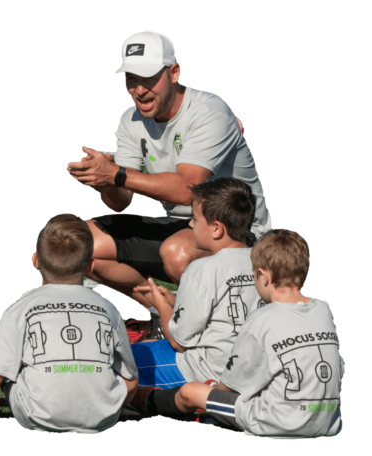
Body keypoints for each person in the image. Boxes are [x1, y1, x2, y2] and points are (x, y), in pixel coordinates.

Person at [66, 30, 271, 336]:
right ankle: (165, 315)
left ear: (174, 72)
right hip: (184, 227)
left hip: (240, 232)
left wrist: (117, 174)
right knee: (74, 246)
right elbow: (121, 201)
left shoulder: (208, 110)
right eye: (130, 79)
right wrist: (104, 182)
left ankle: (218, 331)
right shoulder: (129, 121)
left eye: (149, 78)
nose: (139, 89)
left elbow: (188, 189)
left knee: (177, 251)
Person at [148, 230, 344, 439]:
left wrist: (215, 388)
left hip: (279, 422)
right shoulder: (324, 309)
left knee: (192, 392)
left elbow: (230, 388)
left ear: (264, 276)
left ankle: (142, 401)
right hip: (329, 420)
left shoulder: (261, 319)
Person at [0, 213, 138, 434]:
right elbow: (130, 379)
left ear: (35, 260)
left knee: (0, 367)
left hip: (37, 416)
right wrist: (115, 406)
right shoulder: (110, 309)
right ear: (90, 266)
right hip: (102, 418)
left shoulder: (20, 308)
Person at [128, 178, 262, 394]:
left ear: (216, 229)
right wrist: (175, 301)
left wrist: (161, 304)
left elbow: (179, 343)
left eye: (195, 219)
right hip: (255, 369)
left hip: (208, 371)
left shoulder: (201, 268)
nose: (191, 224)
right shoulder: (262, 263)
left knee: (122, 358)